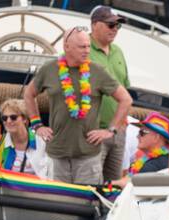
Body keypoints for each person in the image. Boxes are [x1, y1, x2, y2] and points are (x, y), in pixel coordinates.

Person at [24, 27, 131, 185]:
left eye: (88, 46)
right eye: (82, 47)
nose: (87, 50)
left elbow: (126, 99)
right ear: (67, 47)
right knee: (59, 203)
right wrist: (37, 124)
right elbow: (28, 94)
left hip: (88, 155)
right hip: (57, 154)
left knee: (88, 204)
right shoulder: (49, 69)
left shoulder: (97, 71)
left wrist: (111, 130)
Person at [88, 5, 131, 183]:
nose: (115, 30)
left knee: (114, 186)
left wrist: (122, 123)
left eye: (117, 26)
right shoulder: (83, 50)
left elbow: (126, 87)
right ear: (94, 25)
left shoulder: (118, 51)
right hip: (94, 132)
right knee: (92, 184)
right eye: (110, 25)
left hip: (117, 132)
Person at [0, 97, 49, 177]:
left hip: (39, 188)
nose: (8, 121)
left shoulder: (42, 139)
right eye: (4, 118)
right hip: (10, 189)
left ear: (24, 119)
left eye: (13, 117)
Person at [113, 112, 169, 182]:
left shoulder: (154, 165)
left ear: (156, 137)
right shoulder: (159, 159)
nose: (137, 136)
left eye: (142, 132)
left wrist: (110, 183)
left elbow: (131, 184)